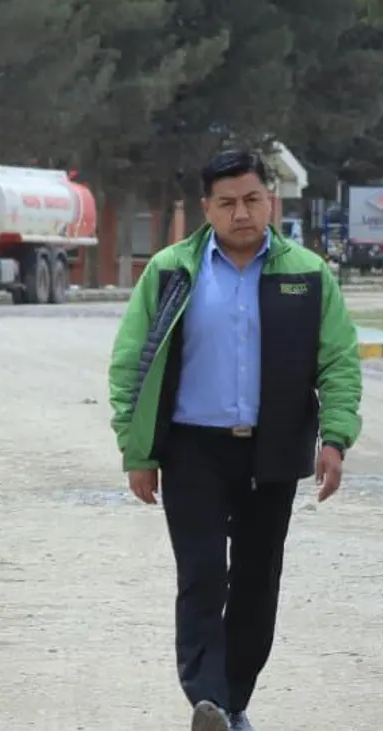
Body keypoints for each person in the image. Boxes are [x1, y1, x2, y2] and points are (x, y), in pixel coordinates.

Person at [108, 150, 362, 731]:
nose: (241, 212)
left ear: (269, 199)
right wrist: (138, 449)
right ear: (207, 209)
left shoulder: (307, 273)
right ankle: (206, 698)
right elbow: (130, 365)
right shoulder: (173, 270)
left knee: (255, 578)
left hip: (271, 447)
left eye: (251, 199)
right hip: (192, 448)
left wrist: (335, 439)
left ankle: (233, 699)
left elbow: (340, 363)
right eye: (227, 202)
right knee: (201, 574)